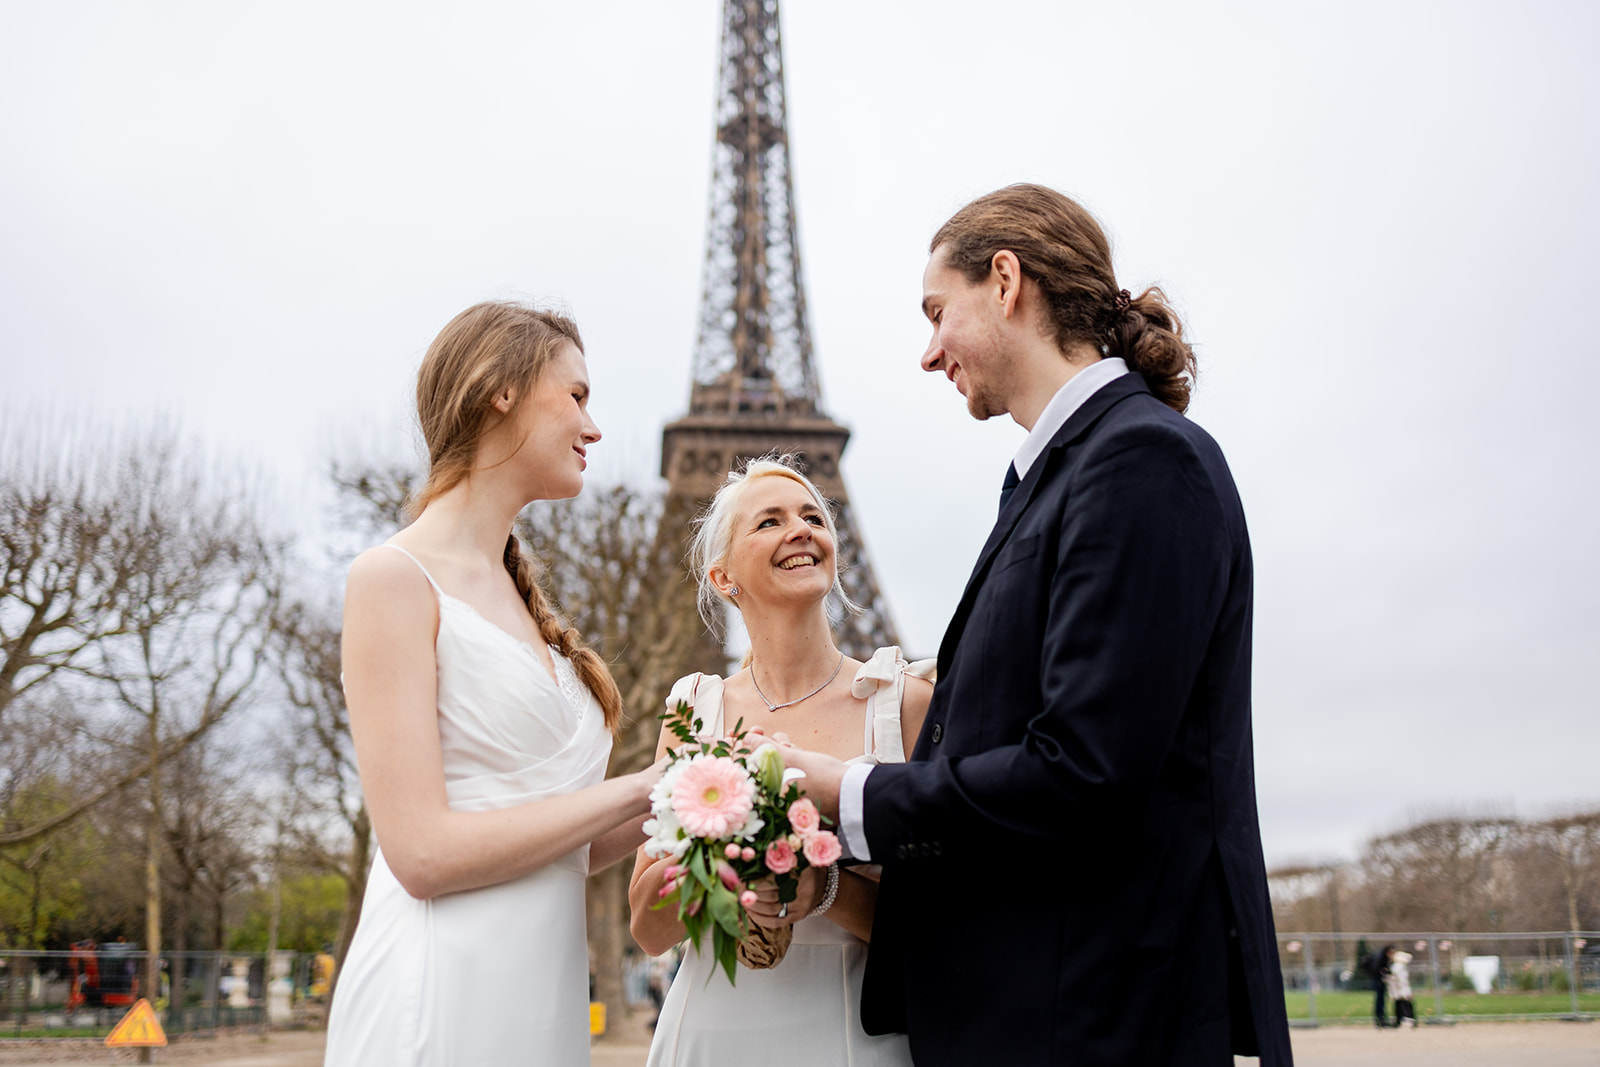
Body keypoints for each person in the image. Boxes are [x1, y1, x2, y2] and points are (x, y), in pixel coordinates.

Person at [780, 184, 1293, 1065]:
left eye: (938, 311)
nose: (929, 350)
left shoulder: (1138, 458)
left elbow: (1085, 771)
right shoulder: (1071, 472)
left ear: (1006, 280)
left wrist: (846, 788)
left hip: (1089, 1020)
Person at [324, 302, 663, 1067]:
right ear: (498, 389)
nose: (595, 425)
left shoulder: (518, 599)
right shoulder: (392, 578)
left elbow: (562, 845)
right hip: (440, 991)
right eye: (576, 395)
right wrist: (643, 785)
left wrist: (700, 788)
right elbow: (420, 854)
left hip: (537, 1003)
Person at [628, 457, 932, 1067]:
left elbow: (943, 925)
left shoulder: (905, 704)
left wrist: (825, 889)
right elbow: (649, 928)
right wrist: (715, 852)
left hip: (856, 1033)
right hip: (711, 1027)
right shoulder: (694, 711)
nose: (801, 529)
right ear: (722, 576)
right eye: (769, 521)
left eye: (813, 517)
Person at [1386, 949, 1415, 1028]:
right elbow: (1401, 980)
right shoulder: (1399, 967)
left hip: (1398, 990)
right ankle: (1407, 1020)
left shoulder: (1395, 966)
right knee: (1404, 1005)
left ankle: (1400, 1020)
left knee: (1399, 1005)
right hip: (1401, 990)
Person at [1371, 943, 1396, 1028]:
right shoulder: (1381, 958)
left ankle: (1383, 1017)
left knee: (1382, 1000)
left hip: (1383, 982)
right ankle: (1380, 1018)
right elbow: (1377, 969)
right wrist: (1384, 972)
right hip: (1379, 981)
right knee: (1380, 1000)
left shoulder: (1387, 958)